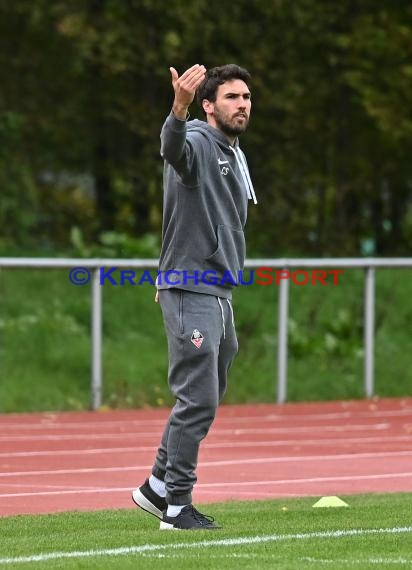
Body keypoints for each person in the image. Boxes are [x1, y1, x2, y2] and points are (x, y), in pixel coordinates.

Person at [132, 63, 257, 530]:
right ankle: (177, 507)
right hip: (191, 285)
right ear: (209, 105)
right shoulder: (199, 143)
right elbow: (173, 149)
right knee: (198, 397)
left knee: (207, 394)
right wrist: (177, 109)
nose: (242, 104)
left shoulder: (233, 151)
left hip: (219, 289)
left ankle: (157, 486)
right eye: (231, 97)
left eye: (246, 97)